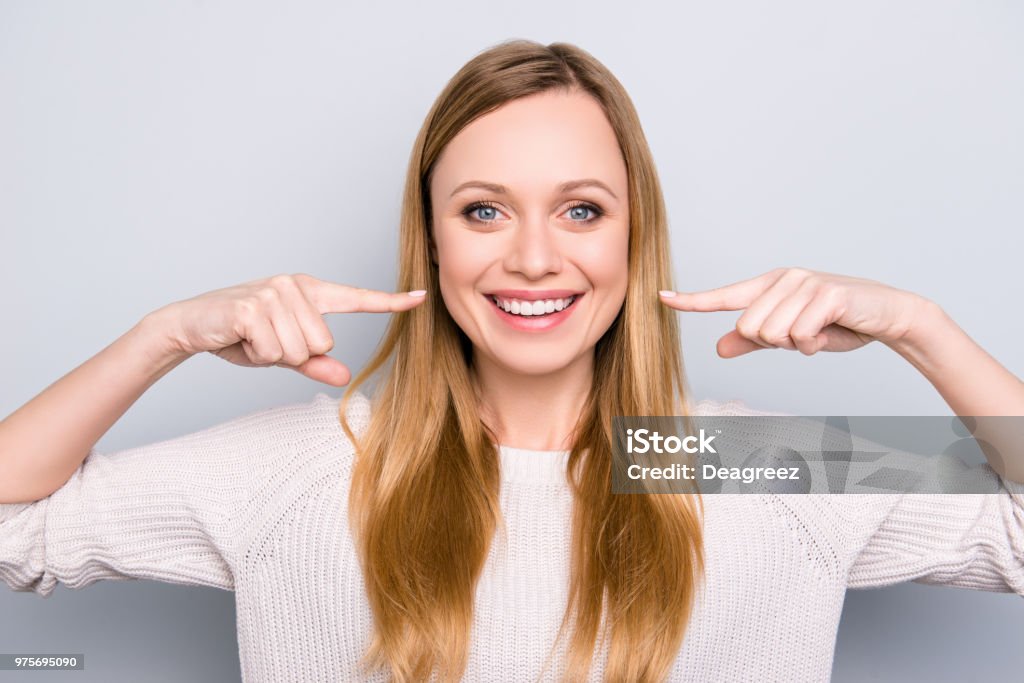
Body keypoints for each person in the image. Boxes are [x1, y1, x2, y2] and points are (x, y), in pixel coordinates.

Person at [1, 38, 1022, 683]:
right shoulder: (313, 464)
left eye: (581, 209)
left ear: (633, 237)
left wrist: (919, 325)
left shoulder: (737, 457)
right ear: (433, 240)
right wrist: (162, 337)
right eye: (483, 209)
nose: (533, 254)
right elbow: (16, 529)